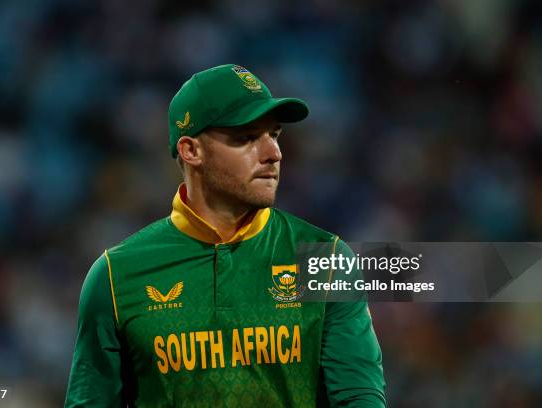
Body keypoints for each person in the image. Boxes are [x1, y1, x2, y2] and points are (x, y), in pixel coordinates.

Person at [65, 64, 386, 407]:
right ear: (191, 151)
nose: (273, 154)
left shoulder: (325, 259)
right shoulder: (116, 275)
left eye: (274, 135)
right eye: (246, 138)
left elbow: (359, 397)